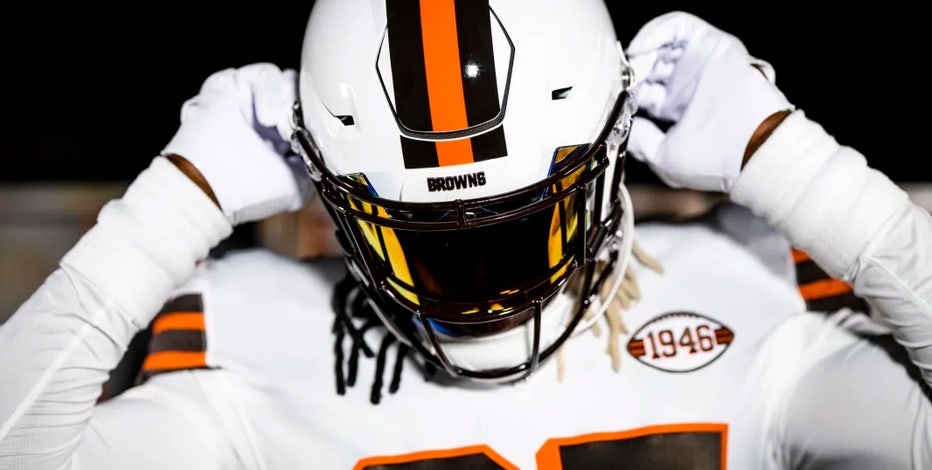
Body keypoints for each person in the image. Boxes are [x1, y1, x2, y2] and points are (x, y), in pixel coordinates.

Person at [0, 2, 929, 468]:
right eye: (427, 246)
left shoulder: (747, 302)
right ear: (325, 196)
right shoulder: (249, 342)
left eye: (525, 232)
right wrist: (180, 197)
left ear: (608, 166)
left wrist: (794, 164)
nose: (486, 292)